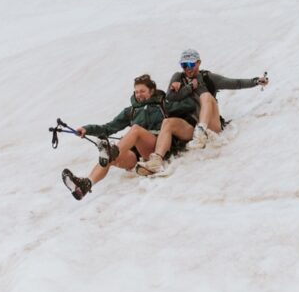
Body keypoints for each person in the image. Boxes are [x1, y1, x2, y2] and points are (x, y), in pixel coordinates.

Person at [136, 48, 269, 175]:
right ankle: (156, 162)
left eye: (191, 64)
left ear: (198, 62)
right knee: (168, 122)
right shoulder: (178, 77)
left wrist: (256, 81)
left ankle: (202, 130)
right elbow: (170, 98)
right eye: (184, 65)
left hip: (211, 124)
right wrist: (187, 87)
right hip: (191, 126)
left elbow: (234, 83)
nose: (188, 68)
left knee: (205, 96)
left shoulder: (207, 77)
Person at [62, 74, 168, 200]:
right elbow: (108, 128)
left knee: (135, 130)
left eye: (142, 91)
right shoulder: (131, 111)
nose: (139, 94)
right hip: (137, 155)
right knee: (109, 159)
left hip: (155, 148)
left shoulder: (163, 104)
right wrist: (87, 129)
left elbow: (182, 115)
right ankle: (85, 185)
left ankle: (111, 152)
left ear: (152, 91)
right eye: (137, 92)